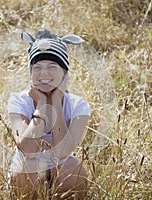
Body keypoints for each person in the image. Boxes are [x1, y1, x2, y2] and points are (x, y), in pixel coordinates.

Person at [7, 29, 91, 199]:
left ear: (65, 73)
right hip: (27, 174)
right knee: (28, 167)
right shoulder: (19, 101)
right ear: (31, 73)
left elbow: (62, 152)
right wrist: (42, 105)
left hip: (62, 171)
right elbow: (29, 149)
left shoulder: (78, 105)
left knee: (72, 168)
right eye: (37, 68)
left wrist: (57, 101)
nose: (44, 74)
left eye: (52, 67)